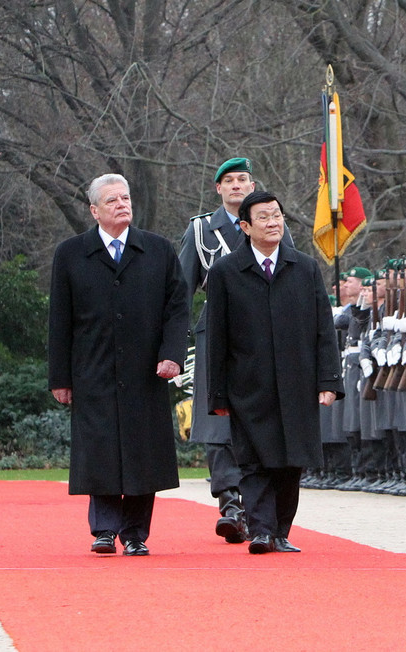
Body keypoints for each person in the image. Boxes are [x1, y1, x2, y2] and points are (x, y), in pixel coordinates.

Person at [48, 173, 189, 556]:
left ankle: (136, 534)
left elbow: (178, 309)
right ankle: (105, 529)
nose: (122, 204)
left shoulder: (158, 251)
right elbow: (59, 319)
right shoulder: (71, 253)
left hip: (147, 371)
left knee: (145, 452)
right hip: (92, 369)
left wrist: (172, 354)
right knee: (100, 450)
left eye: (125, 198)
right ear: (94, 210)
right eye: (112, 200)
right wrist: (60, 377)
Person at [206, 190, 343, 554]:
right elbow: (216, 338)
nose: (273, 223)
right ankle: (261, 530)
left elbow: (323, 330)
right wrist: (217, 394)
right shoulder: (225, 272)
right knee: (253, 461)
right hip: (247, 385)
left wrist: (329, 381)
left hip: (297, 382)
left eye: (277, 216)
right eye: (264, 217)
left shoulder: (304, 267)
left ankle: (280, 530)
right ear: (246, 226)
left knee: (291, 462)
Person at [179, 157, 294, 544]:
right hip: (217, 329)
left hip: (267, 334)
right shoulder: (201, 231)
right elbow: (181, 291)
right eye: (228, 180)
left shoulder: (275, 226)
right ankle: (229, 499)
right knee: (217, 417)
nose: (236, 185)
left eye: (243, 179)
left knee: (260, 417)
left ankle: (255, 505)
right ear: (218, 189)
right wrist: (172, 345)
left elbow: (292, 276)